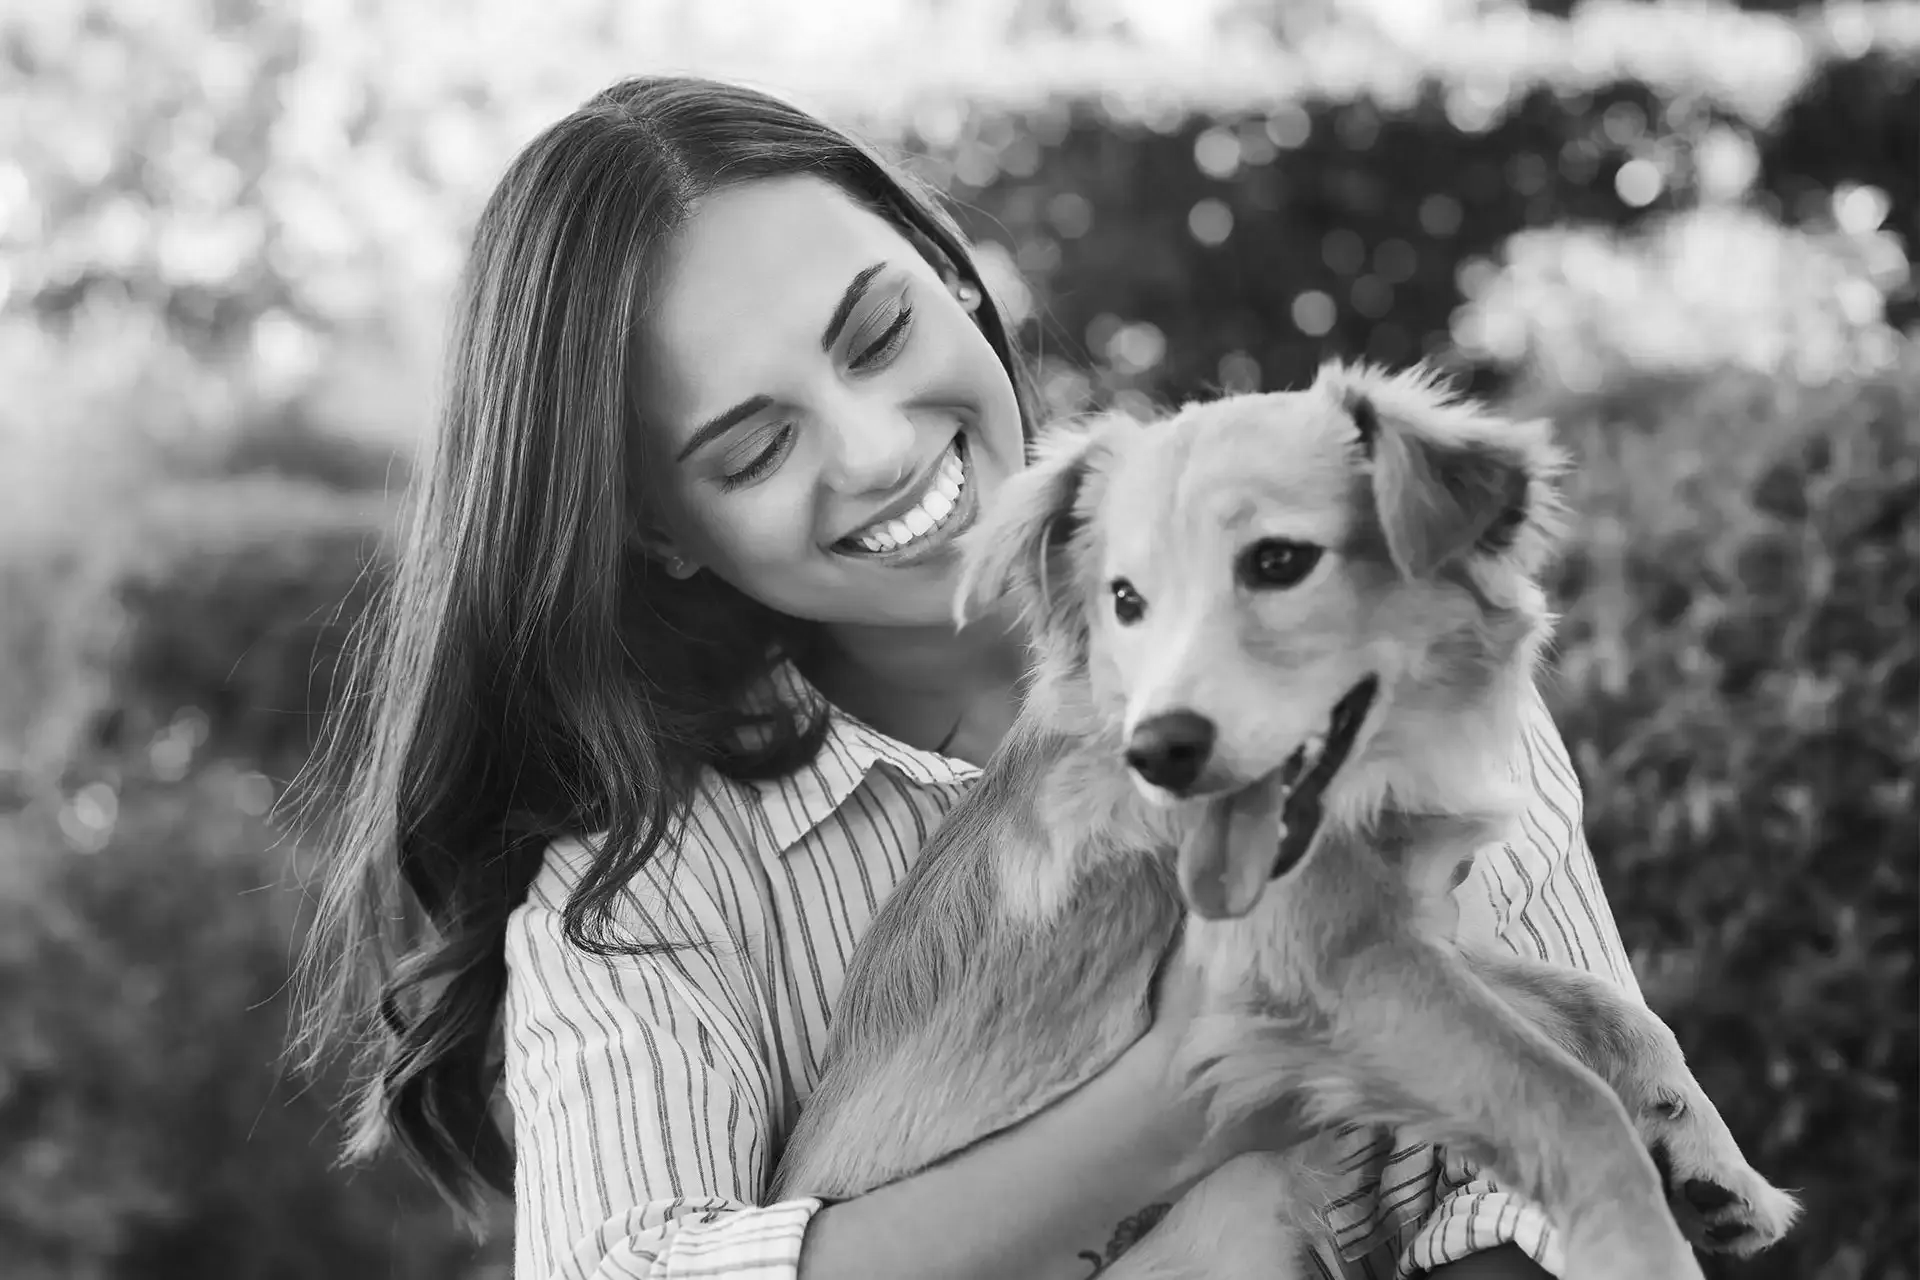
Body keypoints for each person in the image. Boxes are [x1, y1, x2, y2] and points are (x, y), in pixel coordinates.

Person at [294, 75, 1644, 1280]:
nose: (878, 451)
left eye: (876, 335)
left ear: (951, 271)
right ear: (656, 532)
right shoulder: (643, 893)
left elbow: (1562, 1176)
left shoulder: (1375, 642)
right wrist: (1176, 1100)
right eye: (754, 451)